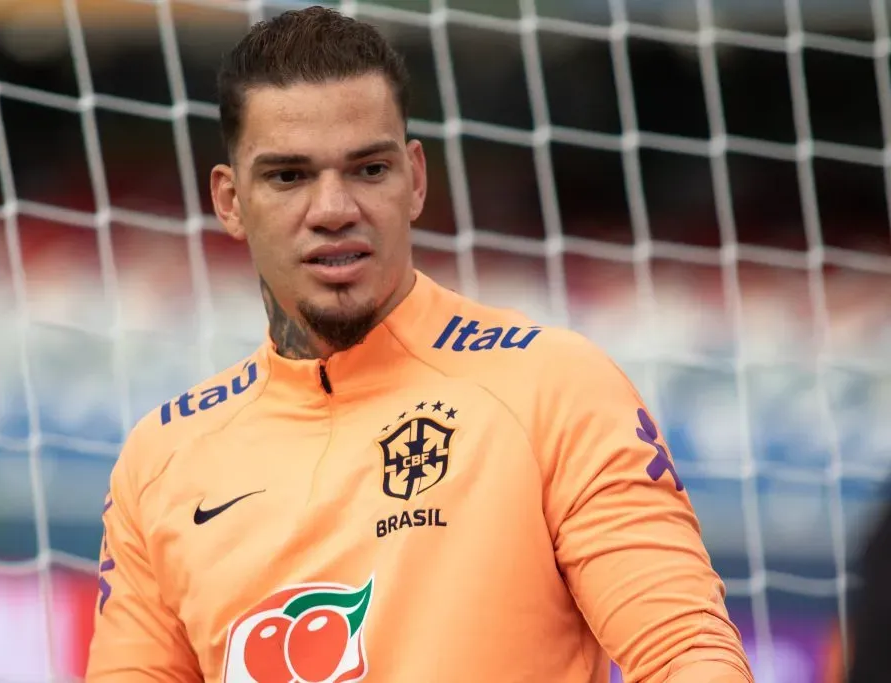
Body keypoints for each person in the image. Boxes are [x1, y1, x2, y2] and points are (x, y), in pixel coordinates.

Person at [86, 6, 754, 682]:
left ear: (416, 178)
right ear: (229, 200)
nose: (332, 209)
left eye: (368, 170)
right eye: (289, 176)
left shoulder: (554, 388)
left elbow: (686, 655)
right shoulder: (162, 459)